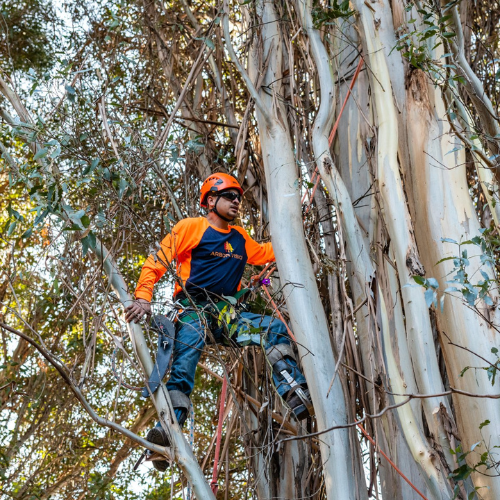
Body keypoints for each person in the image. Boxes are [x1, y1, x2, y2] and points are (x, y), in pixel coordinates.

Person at [125, 173, 313, 471]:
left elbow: (267, 254)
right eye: (230, 196)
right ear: (211, 200)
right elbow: (157, 261)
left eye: (239, 197)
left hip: (228, 317)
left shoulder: (240, 239)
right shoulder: (191, 228)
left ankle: (293, 388)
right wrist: (142, 298)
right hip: (194, 310)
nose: (237, 201)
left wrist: (294, 225)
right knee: (185, 358)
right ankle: (168, 430)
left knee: (272, 328)